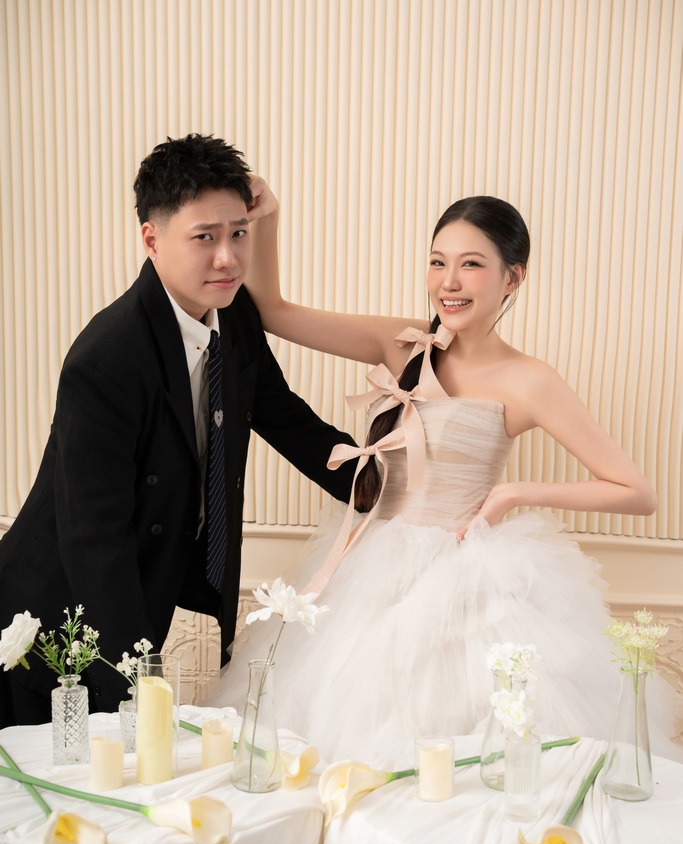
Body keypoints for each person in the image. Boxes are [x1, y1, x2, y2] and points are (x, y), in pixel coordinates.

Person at [204, 185, 682, 764]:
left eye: (471, 264)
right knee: (331, 743)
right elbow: (274, 312)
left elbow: (637, 491)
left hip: (463, 578)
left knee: (465, 753)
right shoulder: (402, 343)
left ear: (513, 278)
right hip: (367, 564)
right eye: (438, 262)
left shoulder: (531, 381)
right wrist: (268, 218)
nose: (449, 282)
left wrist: (513, 493)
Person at [0, 135, 358, 728]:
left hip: (144, 592)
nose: (228, 258)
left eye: (238, 233)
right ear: (151, 239)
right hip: (54, 625)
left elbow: (287, 418)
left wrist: (385, 487)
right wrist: (135, 683)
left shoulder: (234, 317)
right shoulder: (106, 360)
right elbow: (95, 538)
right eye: (205, 238)